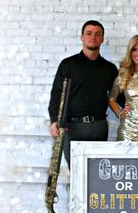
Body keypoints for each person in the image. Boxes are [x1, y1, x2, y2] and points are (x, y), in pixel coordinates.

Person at [48, 20, 119, 169]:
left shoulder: (110, 69)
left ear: (102, 39)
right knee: (76, 174)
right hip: (72, 128)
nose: (93, 37)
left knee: (97, 175)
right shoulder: (68, 65)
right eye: (89, 33)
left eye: (97, 34)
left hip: (99, 127)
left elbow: (120, 97)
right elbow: (56, 94)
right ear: (82, 37)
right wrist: (54, 120)